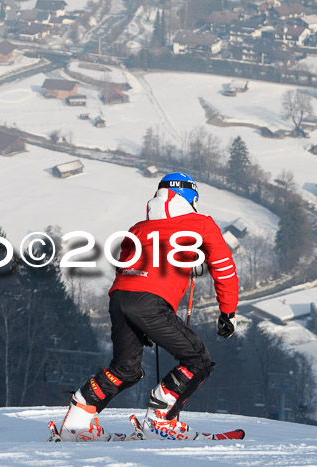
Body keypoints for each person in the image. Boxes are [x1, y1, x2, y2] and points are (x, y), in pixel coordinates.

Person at [60, 173, 238, 441]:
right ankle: (160, 420)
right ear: (192, 199)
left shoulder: (138, 228)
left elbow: (126, 263)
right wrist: (228, 313)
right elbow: (224, 268)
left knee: (125, 369)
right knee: (197, 360)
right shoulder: (201, 224)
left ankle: (78, 422)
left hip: (120, 298)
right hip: (150, 302)